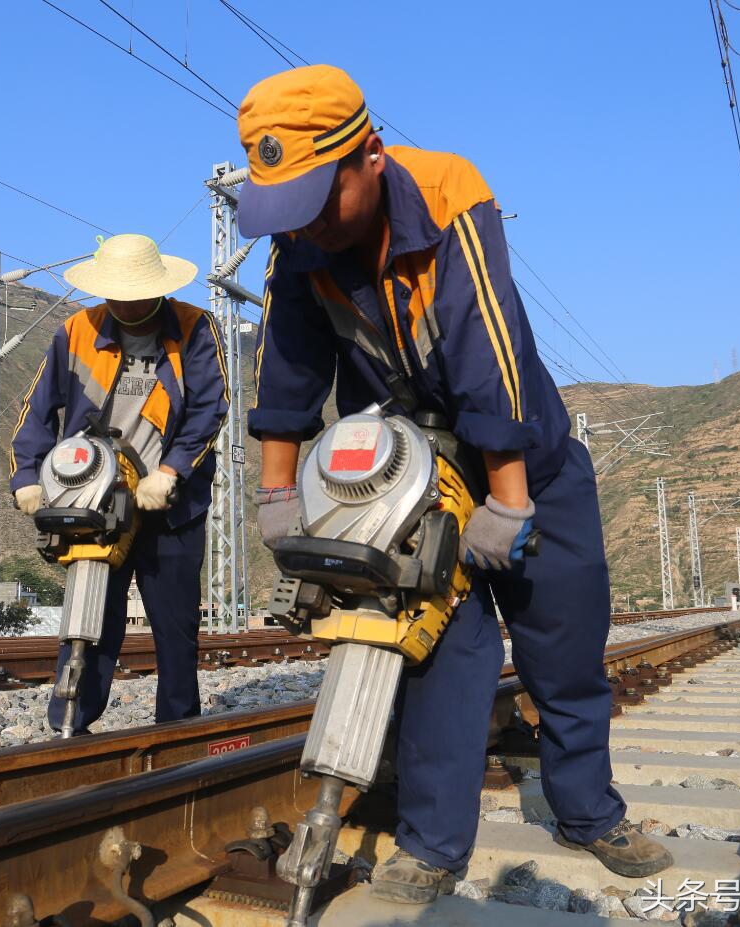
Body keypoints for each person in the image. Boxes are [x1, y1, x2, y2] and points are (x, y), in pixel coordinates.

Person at [235, 64, 673, 904]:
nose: (310, 226)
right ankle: (433, 843)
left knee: (564, 644)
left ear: (369, 154)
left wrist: (508, 499)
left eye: (322, 200)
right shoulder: (301, 246)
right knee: (438, 653)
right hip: (416, 479)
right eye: (291, 209)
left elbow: (487, 350)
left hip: (528, 462)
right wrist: (278, 490)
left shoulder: (447, 193)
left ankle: (588, 810)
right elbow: (286, 364)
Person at [9, 234, 228, 734]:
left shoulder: (195, 328)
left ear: (158, 288)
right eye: (115, 291)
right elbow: (37, 409)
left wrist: (170, 472)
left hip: (168, 505)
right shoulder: (76, 330)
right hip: (94, 497)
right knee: (89, 618)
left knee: (174, 628)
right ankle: (71, 720)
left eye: (134, 291)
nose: (124, 301)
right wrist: (27, 477)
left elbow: (210, 409)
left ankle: (176, 729)